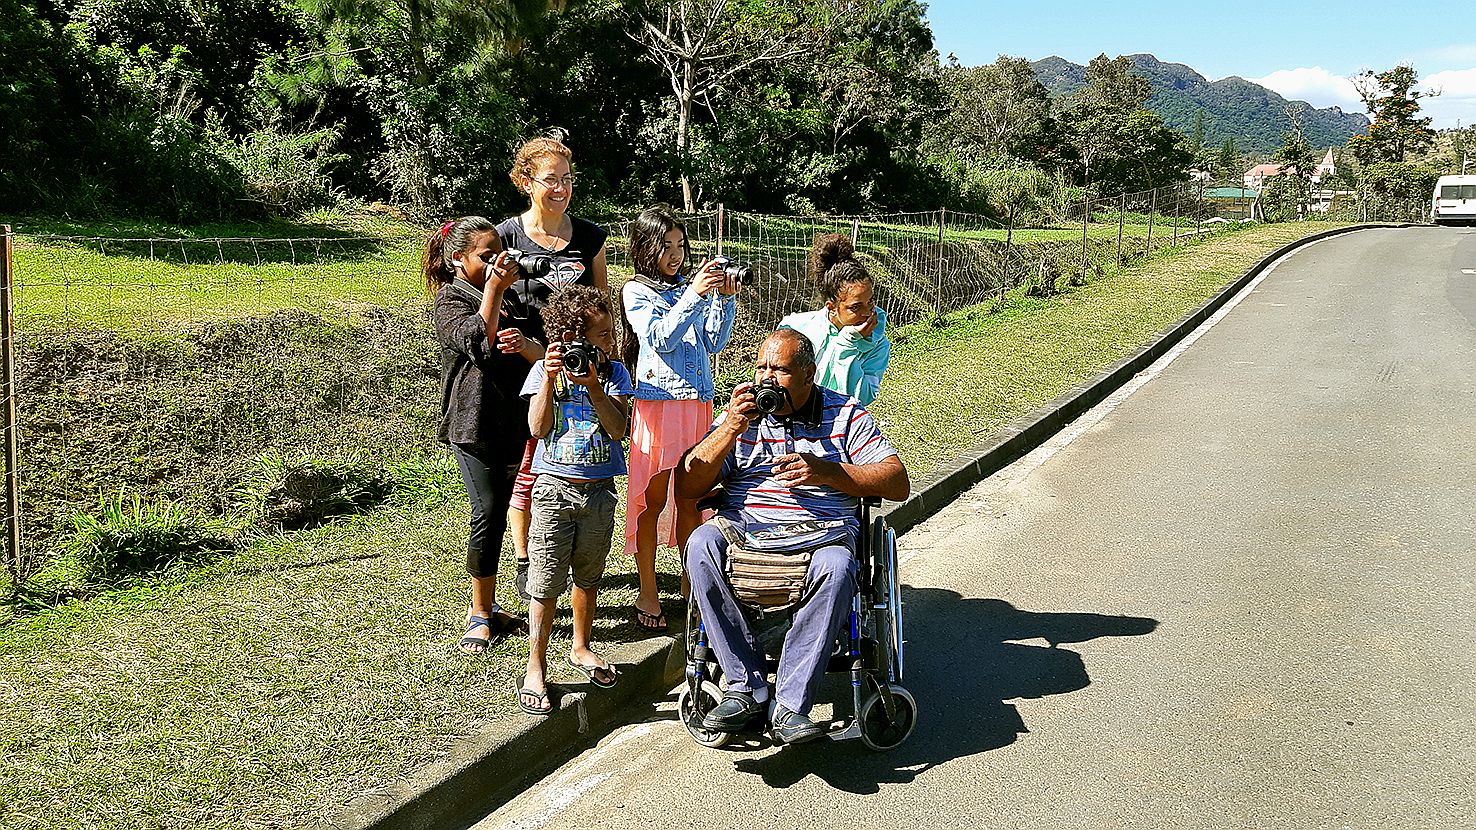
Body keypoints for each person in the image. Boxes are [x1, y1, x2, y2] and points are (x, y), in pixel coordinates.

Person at [674, 329, 910, 744]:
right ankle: (746, 687)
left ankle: (788, 705)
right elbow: (689, 486)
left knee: (838, 567)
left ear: (808, 373)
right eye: (762, 367)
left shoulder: (846, 415)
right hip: (746, 529)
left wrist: (825, 471)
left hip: (822, 533)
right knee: (700, 544)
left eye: (779, 370)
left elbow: (896, 481)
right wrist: (729, 428)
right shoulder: (741, 417)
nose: (767, 378)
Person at [497, 136, 611, 602]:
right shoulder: (505, 237)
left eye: (567, 179)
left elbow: (602, 305)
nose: (561, 188)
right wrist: (534, 355)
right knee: (527, 468)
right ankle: (527, 559)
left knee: (566, 463)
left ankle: (569, 560)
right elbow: (494, 306)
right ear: (526, 182)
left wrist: (607, 362)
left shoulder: (589, 237)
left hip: (581, 373)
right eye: (550, 180)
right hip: (522, 369)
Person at [425, 216, 544, 655]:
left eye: (500, 252)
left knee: (521, 504)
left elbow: (533, 340)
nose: (498, 262)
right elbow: (476, 341)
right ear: (458, 259)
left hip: (515, 419)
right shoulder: (450, 298)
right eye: (486, 256)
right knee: (488, 512)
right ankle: (481, 610)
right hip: (473, 426)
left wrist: (523, 341)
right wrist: (493, 289)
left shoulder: (512, 296)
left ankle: (506, 600)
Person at [618, 205, 739, 632]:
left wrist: (724, 297)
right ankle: (647, 588)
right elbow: (660, 338)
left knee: (691, 498)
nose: (676, 254)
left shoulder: (690, 289)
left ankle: (693, 585)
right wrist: (694, 296)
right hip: (659, 405)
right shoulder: (636, 291)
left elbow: (713, 340)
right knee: (651, 501)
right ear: (645, 247)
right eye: (666, 246)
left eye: (681, 245)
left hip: (698, 405)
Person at [515, 285, 634, 715]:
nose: (609, 342)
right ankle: (536, 664)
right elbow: (537, 427)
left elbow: (619, 429)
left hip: (600, 489)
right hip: (553, 488)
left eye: (610, 333)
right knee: (545, 580)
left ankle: (581, 646)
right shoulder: (546, 372)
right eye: (601, 336)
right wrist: (549, 377)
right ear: (570, 339)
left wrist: (596, 388)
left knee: (588, 573)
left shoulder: (616, 373)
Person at [777, 234, 890, 406]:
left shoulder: (877, 343)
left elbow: (860, 399)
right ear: (832, 307)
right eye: (856, 307)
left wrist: (848, 344)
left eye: (870, 301)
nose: (868, 313)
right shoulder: (795, 328)